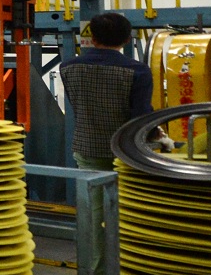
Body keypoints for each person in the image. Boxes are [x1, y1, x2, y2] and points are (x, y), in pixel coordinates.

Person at [61, 11, 153, 170]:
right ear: (127, 39)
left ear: (93, 39)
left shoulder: (68, 67)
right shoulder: (139, 71)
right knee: (128, 187)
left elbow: (77, 104)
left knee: (91, 186)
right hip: (126, 150)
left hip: (88, 148)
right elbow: (141, 114)